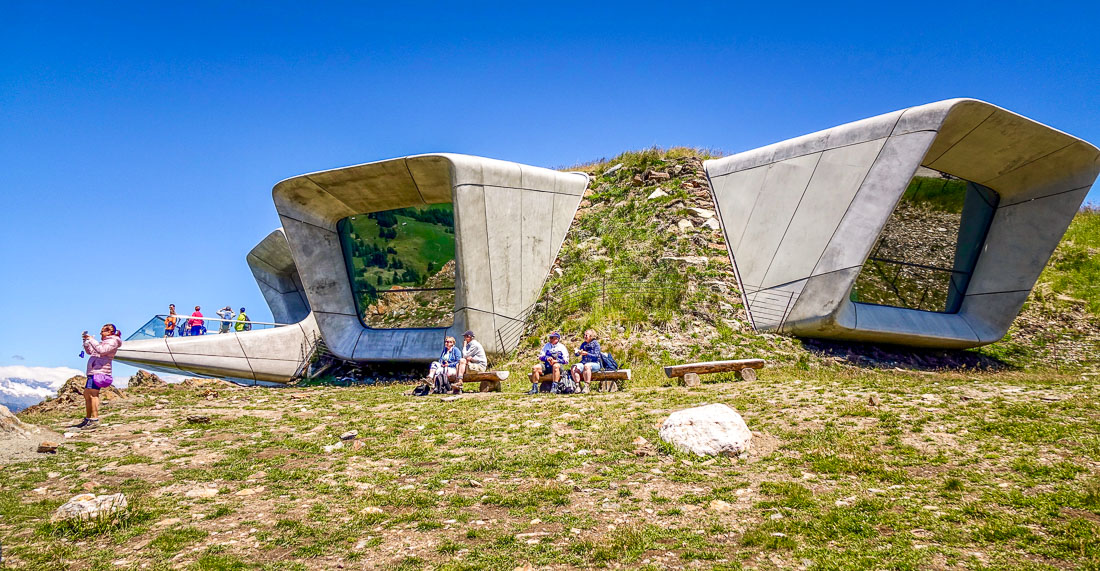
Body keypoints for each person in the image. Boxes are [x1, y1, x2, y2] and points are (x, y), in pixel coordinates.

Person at [75, 324, 122, 430]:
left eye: (102, 331)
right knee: (87, 394)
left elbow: (102, 350)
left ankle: (94, 419)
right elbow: (92, 352)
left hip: (100, 371)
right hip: (94, 371)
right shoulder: (104, 342)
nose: (101, 333)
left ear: (109, 332)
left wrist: (92, 340)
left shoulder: (112, 342)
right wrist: (86, 343)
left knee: (93, 395)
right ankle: (88, 418)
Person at [571, 329, 602, 394]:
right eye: (584, 335)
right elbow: (577, 354)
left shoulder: (596, 344)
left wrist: (587, 354)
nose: (584, 336)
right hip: (584, 362)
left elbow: (596, 356)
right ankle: (578, 386)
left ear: (591, 336)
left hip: (595, 363)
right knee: (574, 367)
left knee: (587, 366)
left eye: (586, 335)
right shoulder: (583, 344)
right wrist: (578, 352)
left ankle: (587, 386)